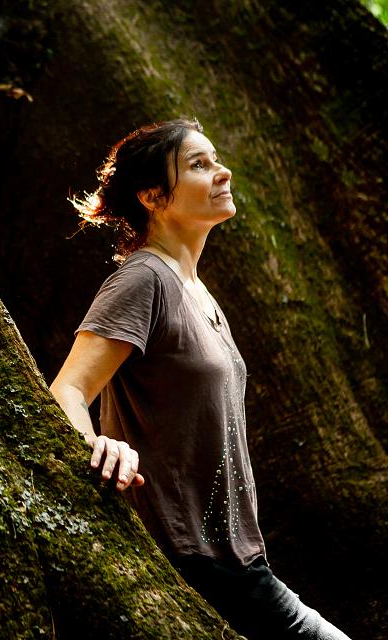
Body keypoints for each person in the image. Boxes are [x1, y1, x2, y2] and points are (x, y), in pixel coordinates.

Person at [49, 118, 351, 640]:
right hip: (192, 559)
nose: (221, 171)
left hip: (238, 561)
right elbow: (69, 390)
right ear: (151, 196)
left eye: (215, 159)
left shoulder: (198, 292)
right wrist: (98, 447)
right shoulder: (143, 279)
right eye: (198, 164)